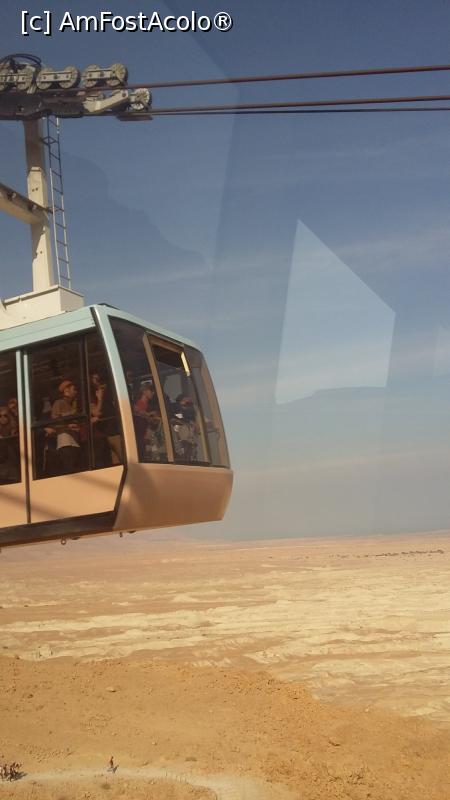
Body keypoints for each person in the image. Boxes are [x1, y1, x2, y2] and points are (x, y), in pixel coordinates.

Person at [51, 379, 82, 474]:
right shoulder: (58, 402)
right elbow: (54, 420)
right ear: (66, 390)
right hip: (65, 442)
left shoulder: (72, 405)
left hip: (75, 441)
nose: (76, 392)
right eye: (74, 389)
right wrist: (68, 425)